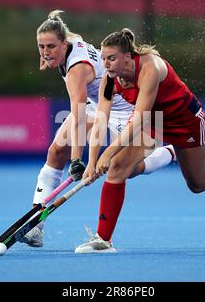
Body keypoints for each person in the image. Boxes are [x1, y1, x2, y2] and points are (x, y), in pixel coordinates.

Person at [75, 28, 205, 253]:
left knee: (199, 184)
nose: (106, 64)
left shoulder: (150, 68)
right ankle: (103, 240)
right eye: (103, 59)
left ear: (127, 56)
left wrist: (107, 153)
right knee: (118, 169)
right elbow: (101, 120)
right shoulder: (110, 79)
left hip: (185, 121)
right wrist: (92, 161)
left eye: (111, 58)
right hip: (156, 121)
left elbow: (138, 120)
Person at [20, 12, 177, 247]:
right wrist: (48, 57)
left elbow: (79, 118)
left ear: (64, 44)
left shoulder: (77, 70)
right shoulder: (66, 39)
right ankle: (36, 227)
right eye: (41, 47)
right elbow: (59, 36)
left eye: (51, 47)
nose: (45, 51)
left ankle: (168, 153)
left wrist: (77, 161)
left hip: (129, 109)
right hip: (102, 104)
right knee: (55, 151)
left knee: (126, 169)